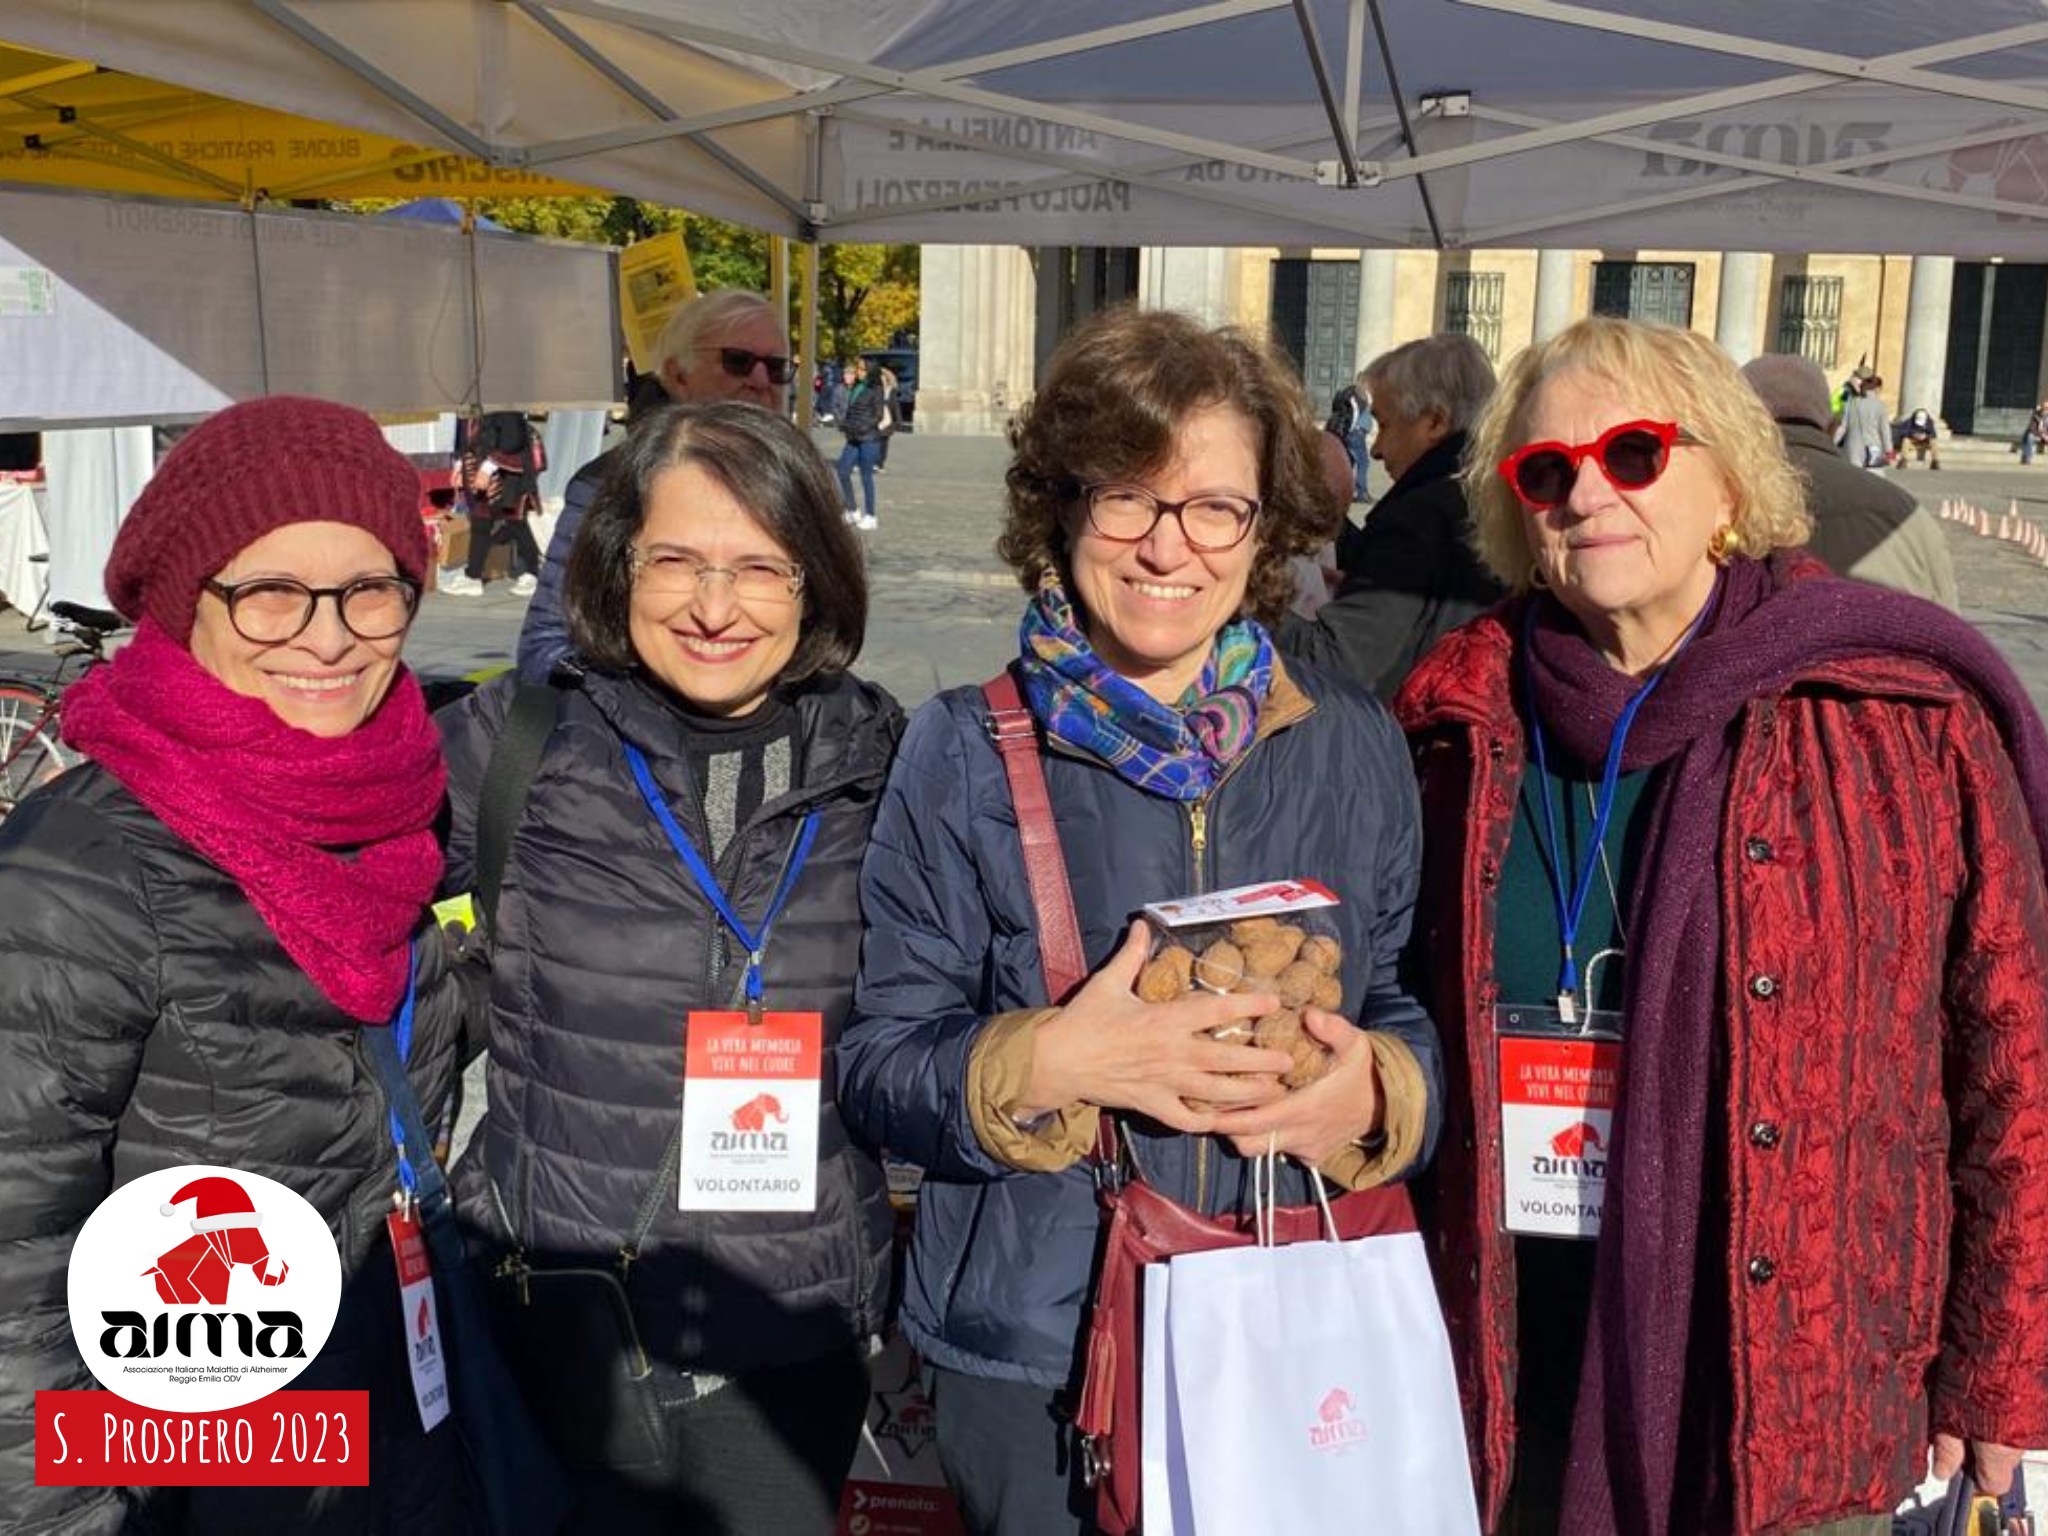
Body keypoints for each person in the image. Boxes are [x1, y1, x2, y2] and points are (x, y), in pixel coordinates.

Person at [1395, 317, 2048, 1535]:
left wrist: (1999, 1363)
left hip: (1799, 1379)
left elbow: (2011, 1055)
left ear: (1730, 484)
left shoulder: (1890, 714)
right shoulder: (1450, 723)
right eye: (1544, 470)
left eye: (1632, 453)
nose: (1585, 492)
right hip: (1502, 1374)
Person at [837, 306, 1441, 1536]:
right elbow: (878, 1062)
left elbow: (1396, 998)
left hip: (1289, 1309)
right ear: (1061, 510)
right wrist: (1054, 1061)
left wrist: (1378, 1094)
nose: (1169, 546)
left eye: (1214, 506)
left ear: (1262, 527)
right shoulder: (960, 746)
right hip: (1038, 1355)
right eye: (1126, 498)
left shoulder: (1352, 740)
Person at [0, 397, 472, 1531]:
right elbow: (12, 1269)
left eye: (368, 589)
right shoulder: (86, 866)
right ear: (184, 602)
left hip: (389, 1430)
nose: (328, 637)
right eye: (269, 593)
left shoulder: (404, 803)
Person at [441, 401, 897, 1533]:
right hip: (563, 1324)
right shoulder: (515, 744)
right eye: (676, 561)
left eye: (759, 568)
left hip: (789, 1341)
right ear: (616, 566)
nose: (712, 606)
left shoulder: (886, 770)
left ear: (815, 582)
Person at [518, 289, 792, 683]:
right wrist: (639, 703)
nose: (761, 380)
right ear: (678, 375)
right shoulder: (609, 485)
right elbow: (546, 644)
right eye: (738, 362)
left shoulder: (801, 487)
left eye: (777, 367)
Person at [1285, 332, 1505, 701]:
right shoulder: (1489, 499)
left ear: (1434, 423)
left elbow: (1333, 659)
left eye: (1385, 425)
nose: (1377, 449)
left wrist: (1253, 596)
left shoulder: (1421, 518)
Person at [1740, 353, 1959, 608]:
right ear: (1829, 425)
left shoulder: (1720, 502)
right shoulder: (1907, 517)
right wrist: (1889, 450)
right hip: (1868, 462)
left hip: (1854, 452)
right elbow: (1948, 618)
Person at [444, 408, 545, 597]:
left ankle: (533, 573)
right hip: (483, 472)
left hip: (509, 476)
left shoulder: (505, 404)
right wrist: (460, 465)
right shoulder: (476, 406)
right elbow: (470, 440)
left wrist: (488, 468)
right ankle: (473, 577)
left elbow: (513, 440)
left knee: (516, 523)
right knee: (480, 523)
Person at [834, 362, 887, 532]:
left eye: (862, 369)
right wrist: (845, 424)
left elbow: (878, 415)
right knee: (842, 470)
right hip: (853, 437)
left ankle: (871, 515)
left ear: (870, 372)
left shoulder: (875, 389)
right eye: (858, 369)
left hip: (869, 438)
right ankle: (853, 510)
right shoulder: (857, 387)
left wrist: (863, 426)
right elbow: (851, 411)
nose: (859, 372)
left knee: (866, 476)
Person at [1325, 367, 1372, 501]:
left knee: (1349, 463)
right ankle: (1361, 492)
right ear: (1363, 381)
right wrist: (1351, 430)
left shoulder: (1358, 393)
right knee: (1363, 463)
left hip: (1354, 434)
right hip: (1355, 434)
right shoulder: (1357, 394)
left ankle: (1341, 490)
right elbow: (1355, 413)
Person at [1839, 370, 1892, 471]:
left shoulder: (1851, 402)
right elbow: (1885, 431)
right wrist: (1889, 451)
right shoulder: (1880, 405)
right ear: (1877, 388)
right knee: (1872, 477)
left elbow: (1842, 427)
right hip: (1873, 448)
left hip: (1852, 448)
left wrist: (1832, 443)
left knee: (1854, 476)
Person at [1891, 404, 1942, 469]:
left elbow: (1933, 434)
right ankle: (1903, 460)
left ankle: (1935, 462)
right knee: (1906, 440)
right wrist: (1913, 434)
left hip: (1924, 441)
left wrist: (1926, 436)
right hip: (1913, 441)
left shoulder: (1930, 422)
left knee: (1933, 441)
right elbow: (1903, 433)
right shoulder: (1908, 422)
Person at [875, 365, 901, 473]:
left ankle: (880, 463)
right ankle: (875, 462)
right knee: (875, 442)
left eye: (882, 377)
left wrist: (898, 421)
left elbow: (895, 407)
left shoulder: (891, 391)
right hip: (877, 420)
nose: (880, 379)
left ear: (886, 378)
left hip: (887, 421)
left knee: (883, 443)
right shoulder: (876, 390)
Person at [2020, 400, 2048, 466]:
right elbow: (2032, 429)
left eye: (2047, 408)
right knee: (2030, 437)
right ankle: (2027, 458)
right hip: (2036, 435)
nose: (2046, 410)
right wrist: (2042, 435)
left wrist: (2046, 435)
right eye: (2045, 408)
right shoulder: (2035, 416)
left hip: (2045, 436)